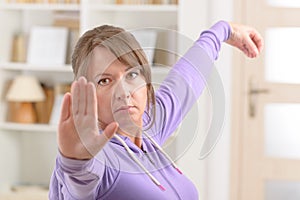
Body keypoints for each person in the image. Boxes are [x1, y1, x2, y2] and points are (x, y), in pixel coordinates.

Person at [49, 20, 263, 200]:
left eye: (132, 75)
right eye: (105, 80)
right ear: (85, 93)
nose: (124, 92)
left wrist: (223, 31)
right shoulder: (100, 160)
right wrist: (74, 161)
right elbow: (79, 184)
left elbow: (186, 78)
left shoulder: (148, 129)